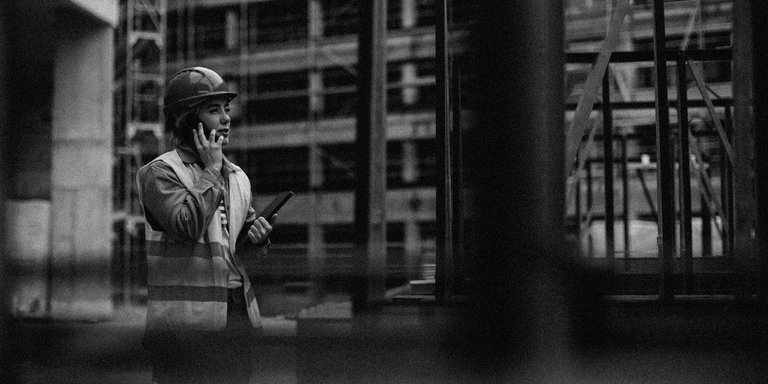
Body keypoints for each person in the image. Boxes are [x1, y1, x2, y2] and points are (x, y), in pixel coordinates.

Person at [136, 66, 274, 384]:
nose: (226, 118)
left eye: (226, 109)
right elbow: (187, 226)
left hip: (238, 317)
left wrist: (257, 240)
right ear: (187, 120)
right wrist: (211, 170)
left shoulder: (236, 176)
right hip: (183, 329)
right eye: (214, 110)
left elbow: (234, 251)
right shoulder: (160, 173)